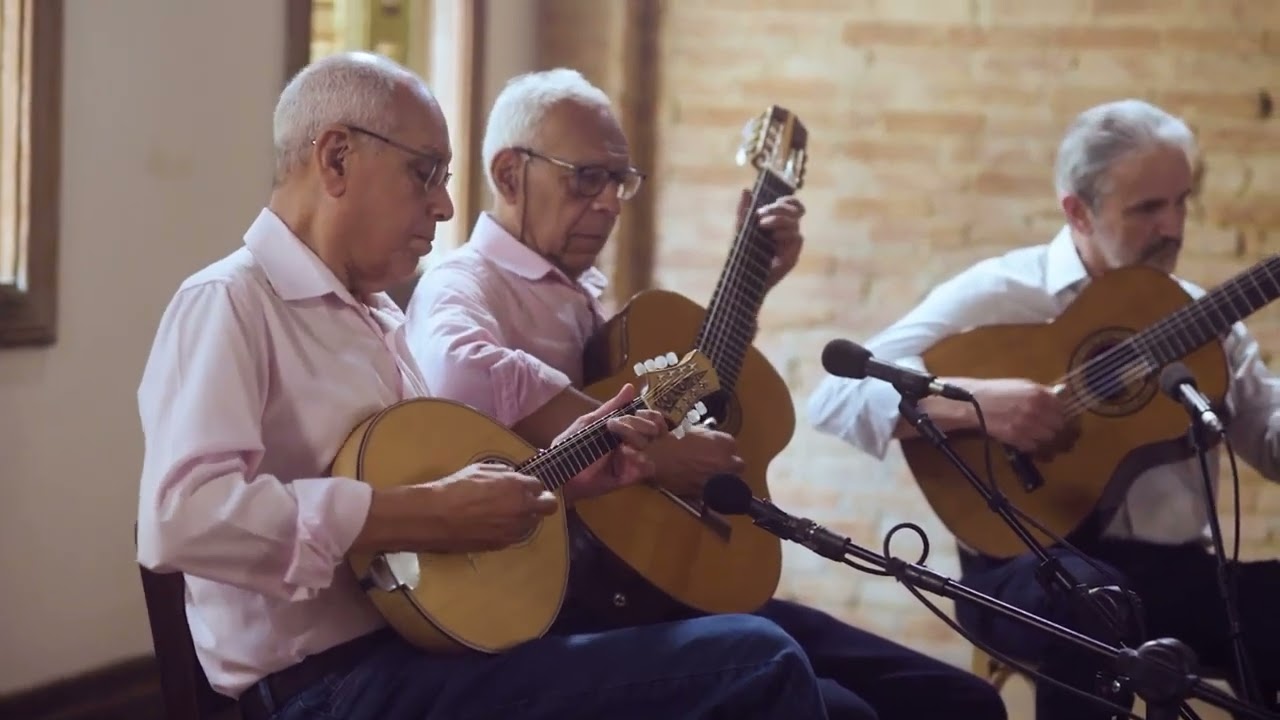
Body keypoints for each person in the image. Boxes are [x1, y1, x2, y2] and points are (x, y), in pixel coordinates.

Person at [135, 51, 833, 720]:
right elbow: (183, 518)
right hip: (331, 689)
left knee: (778, 661)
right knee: (759, 662)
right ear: (337, 158)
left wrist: (561, 475)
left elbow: (434, 515)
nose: (444, 205)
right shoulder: (229, 301)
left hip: (429, 649)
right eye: (425, 172)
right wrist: (422, 514)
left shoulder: (377, 315)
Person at [403, 67, 1008, 720]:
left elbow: (691, 395)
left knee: (958, 700)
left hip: (667, 580)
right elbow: (462, 374)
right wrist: (656, 458)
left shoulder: (580, 297)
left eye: (620, 182)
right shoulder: (466, 282)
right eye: (586, 178)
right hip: (575, 603)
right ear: (509, 173)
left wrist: (752, 287)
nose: (608, 203)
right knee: (845, 712)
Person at [806, 98, 1280, 719]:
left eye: (1181, 201)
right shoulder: (1003, 293)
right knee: (1088, 600)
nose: (1173, 227)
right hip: (1023, 572)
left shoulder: (1196, 314)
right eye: (1147, 208)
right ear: (1076, 211)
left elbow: (1268, 439)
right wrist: (971, 404)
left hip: (1178, 573)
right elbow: (837, 394)